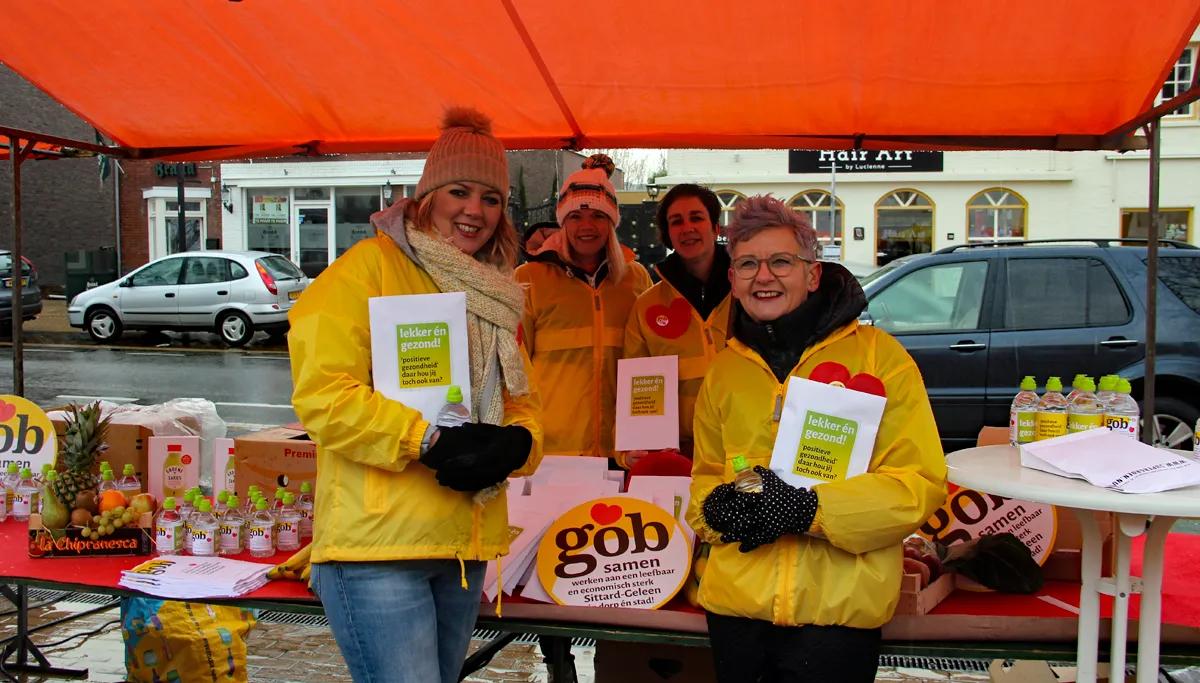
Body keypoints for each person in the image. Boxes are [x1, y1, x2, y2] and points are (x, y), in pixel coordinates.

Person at [288, 107, 544, 683]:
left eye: (491, 198)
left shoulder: (496, 292)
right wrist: (425, 440)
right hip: (377, 553)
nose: (474, 210)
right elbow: (324, 395)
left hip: (460, 548)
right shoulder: (365, 270)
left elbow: (524, 399)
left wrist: (517, 444)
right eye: (459, 191)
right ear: (427, 195)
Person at [687, 194, 946, 683]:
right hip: (736, 612)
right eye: (747, 264)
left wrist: (809, 510)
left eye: (781, 261)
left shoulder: (880, 359)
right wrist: (720, 508)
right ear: (733, 280)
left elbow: (919, 483)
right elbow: (711, 473)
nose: (764, 276)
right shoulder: (723, 371)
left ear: (812, 274)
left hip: (837, 616)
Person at [516, 154, 652, 461]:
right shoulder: (529, 279)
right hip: (550, 454)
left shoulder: (635, 278)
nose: (586, 226)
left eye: (598, 216)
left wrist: (639, 439)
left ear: (612, 223)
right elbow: (514, 371)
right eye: (576, 216)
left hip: (621, 453)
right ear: (562, 221)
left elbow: (645, 367)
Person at [621, 184, 731, 467]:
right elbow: (637, 385)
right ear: (667, 234)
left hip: (741, 449)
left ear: (716, 227)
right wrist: (630, 447)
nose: (687, 228)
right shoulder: (647, 306)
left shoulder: (749, 292)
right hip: (678, 456)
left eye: (697, 218)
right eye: (676, 221)